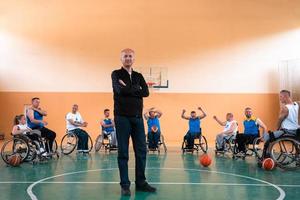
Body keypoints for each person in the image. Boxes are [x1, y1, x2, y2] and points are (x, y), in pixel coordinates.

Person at [111, 48, 156, 196]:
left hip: (137, 118)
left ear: (134, 59)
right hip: (122, 118)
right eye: (125, 56)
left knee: (141, 151)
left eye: (130, 56)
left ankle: (141, 182)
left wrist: (129, 88)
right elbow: (119, 91)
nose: (128, 58)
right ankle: (125, 185)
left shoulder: (138, 75)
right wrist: (135, 89)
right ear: (121, 59)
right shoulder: (116, 74)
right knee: (123, 152)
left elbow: (146, 92)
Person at [261, 90, 300, 159]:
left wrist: (276, 129)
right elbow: (296, 102)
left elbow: (280, 120)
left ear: (286, 97)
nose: (280, 99)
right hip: (296, 130)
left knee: (268, 137)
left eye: (281, 97)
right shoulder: (296, 104)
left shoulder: (285, 108)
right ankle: (297, 154)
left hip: (287, 131)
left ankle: (266, 158)